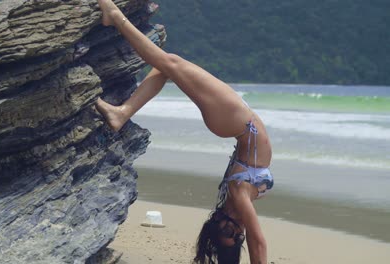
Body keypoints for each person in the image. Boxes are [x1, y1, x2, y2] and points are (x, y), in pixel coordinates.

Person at [94, 1, 274, 263]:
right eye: (237, 238)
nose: (236, 231)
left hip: (234, 122)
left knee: (171, 63)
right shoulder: (238, 204)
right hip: (237, 122)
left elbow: (259, 244)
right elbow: (254, 241)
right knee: (165, 68)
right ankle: (121, 113)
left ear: (215, 223)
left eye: (227, 232)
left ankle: (116, 17)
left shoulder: (238, 192)